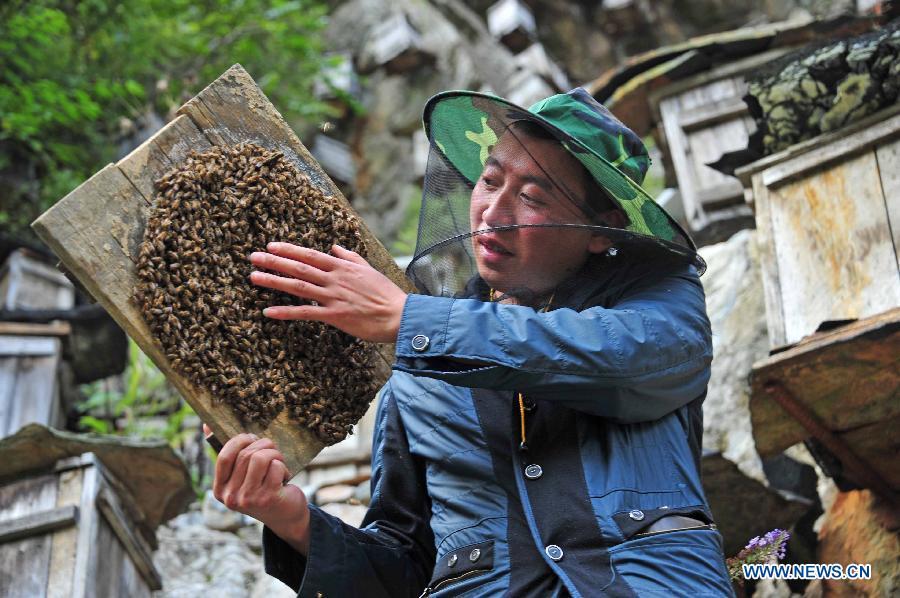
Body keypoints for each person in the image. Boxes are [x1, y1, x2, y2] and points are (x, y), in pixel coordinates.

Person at [207, 88, 735, 596]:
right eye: (488, 181)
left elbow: (626, 356)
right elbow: (403, 568)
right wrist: (289, 517)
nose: (492, 213)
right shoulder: (420, 361)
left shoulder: (658, 297)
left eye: (530, 197)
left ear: (603, 230)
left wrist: (406, 318)